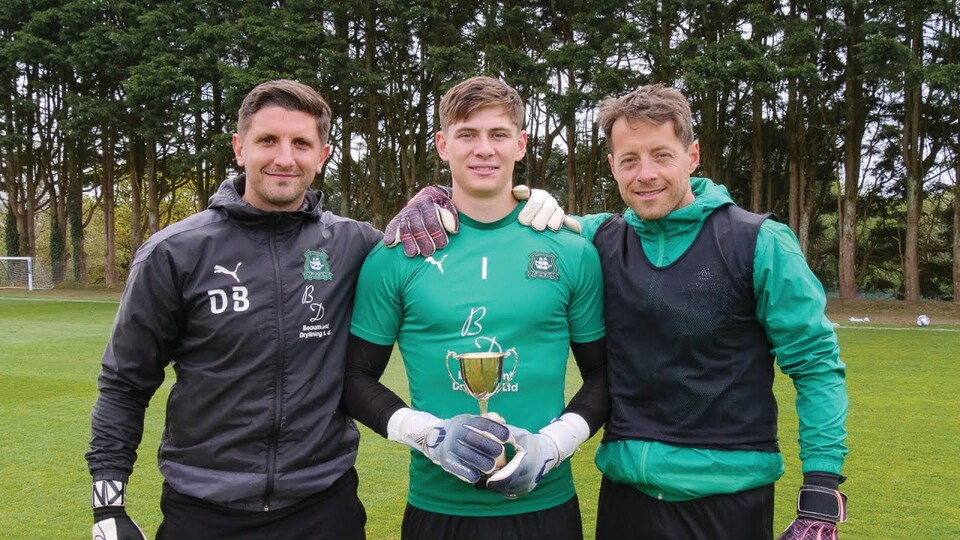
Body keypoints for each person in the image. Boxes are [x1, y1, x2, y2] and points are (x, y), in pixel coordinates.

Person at [85, 79, 470, 540]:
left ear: (323, 155)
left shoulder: (356, 245)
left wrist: (443, 194)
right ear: (239, 148)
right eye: (268, 140)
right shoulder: (175, 252)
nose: (285, 158)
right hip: (205, 511)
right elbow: (125, 382)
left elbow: (454, 254)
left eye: (301, 144)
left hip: (324, 508)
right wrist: (108, 507)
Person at [571, 84, 849, 539]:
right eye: (630, 160)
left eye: (662, 155)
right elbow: (513, 220)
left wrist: (820, 494)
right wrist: (445, 197)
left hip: (729, 505)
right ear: (612, 166)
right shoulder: (598, 238)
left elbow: (816, 365)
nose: (645, 174)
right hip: (625, 500)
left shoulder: (759, 242)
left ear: (692, 155)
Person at [341, 76, 609, 540]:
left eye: (498, 134)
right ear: (443, 144)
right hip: (437, 511)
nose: (483, 149)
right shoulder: (397, 254)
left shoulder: (572, 251)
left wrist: (552, 446)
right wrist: (428, 435)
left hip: (546, 509)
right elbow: (353, 377)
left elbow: (604, 374)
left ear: (520, 144)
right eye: (467, 134)